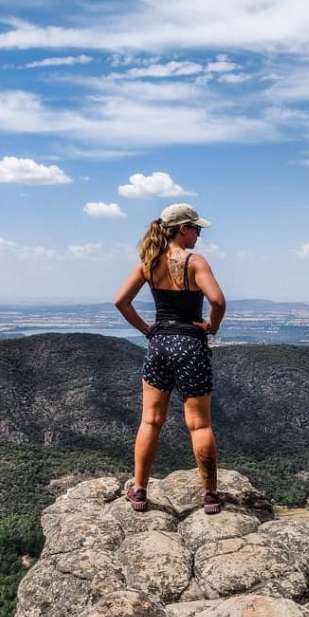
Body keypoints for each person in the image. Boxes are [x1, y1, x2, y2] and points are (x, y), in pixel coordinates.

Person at [114, 203, 227, 514]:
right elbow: (217, 300)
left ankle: (139, 490)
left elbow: (121, 301)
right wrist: (211, 327)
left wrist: (147, 330)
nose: (199, 235)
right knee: (199, 424)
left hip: (159, 343)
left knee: (150, 420)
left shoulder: (148, 263)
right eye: (196, 229)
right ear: (182, 229)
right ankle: (210, 496)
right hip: (190, 345)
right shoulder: (194, 262)